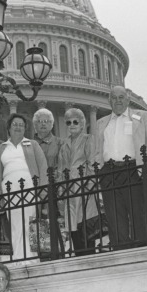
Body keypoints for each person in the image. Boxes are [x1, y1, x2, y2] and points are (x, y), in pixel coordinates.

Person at [94, 85, 147, 249]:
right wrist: (98, 170)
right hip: (108, 172)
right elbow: (97, 148)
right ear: (109, 101)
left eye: (121, 97)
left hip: (132, 169)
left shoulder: (140, 116)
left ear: (128, 100)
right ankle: (121, 250)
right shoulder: (101, 122)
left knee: (138, 213)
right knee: (114, 217)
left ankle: (143, 249)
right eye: (114, 97)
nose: (117, 101)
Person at [0, 114, 48, 260]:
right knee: (15, 224)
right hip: (9, 189)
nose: (18, 127)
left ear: (25, 129)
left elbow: (42, 166)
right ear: (9, 128)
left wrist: (42, 189)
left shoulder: (32, 144)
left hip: (29, 185)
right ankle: (18, 257)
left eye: (21, 125)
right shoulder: (1, 148)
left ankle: (32, 257)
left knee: (31, 220)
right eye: (15, 124)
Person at [58, 107, 99, 255]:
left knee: (86, 226)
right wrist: (61, 190)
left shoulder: (88, 139)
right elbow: (61, 169)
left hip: (84, 187)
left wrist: (89, 186)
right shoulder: (64, 144)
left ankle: (88, 256)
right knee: (72, 226)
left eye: (75, 121)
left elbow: (92, 163)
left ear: (82, 123)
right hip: (69, 189)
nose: (72, 125)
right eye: (68, 122)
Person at [32, 108, 63, 173]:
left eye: (46, 121)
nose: (43, 124)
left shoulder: (60, 143)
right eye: (39, 121)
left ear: (51, 124)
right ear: (35, 125)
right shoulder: (29, 145)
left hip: (54, 181)